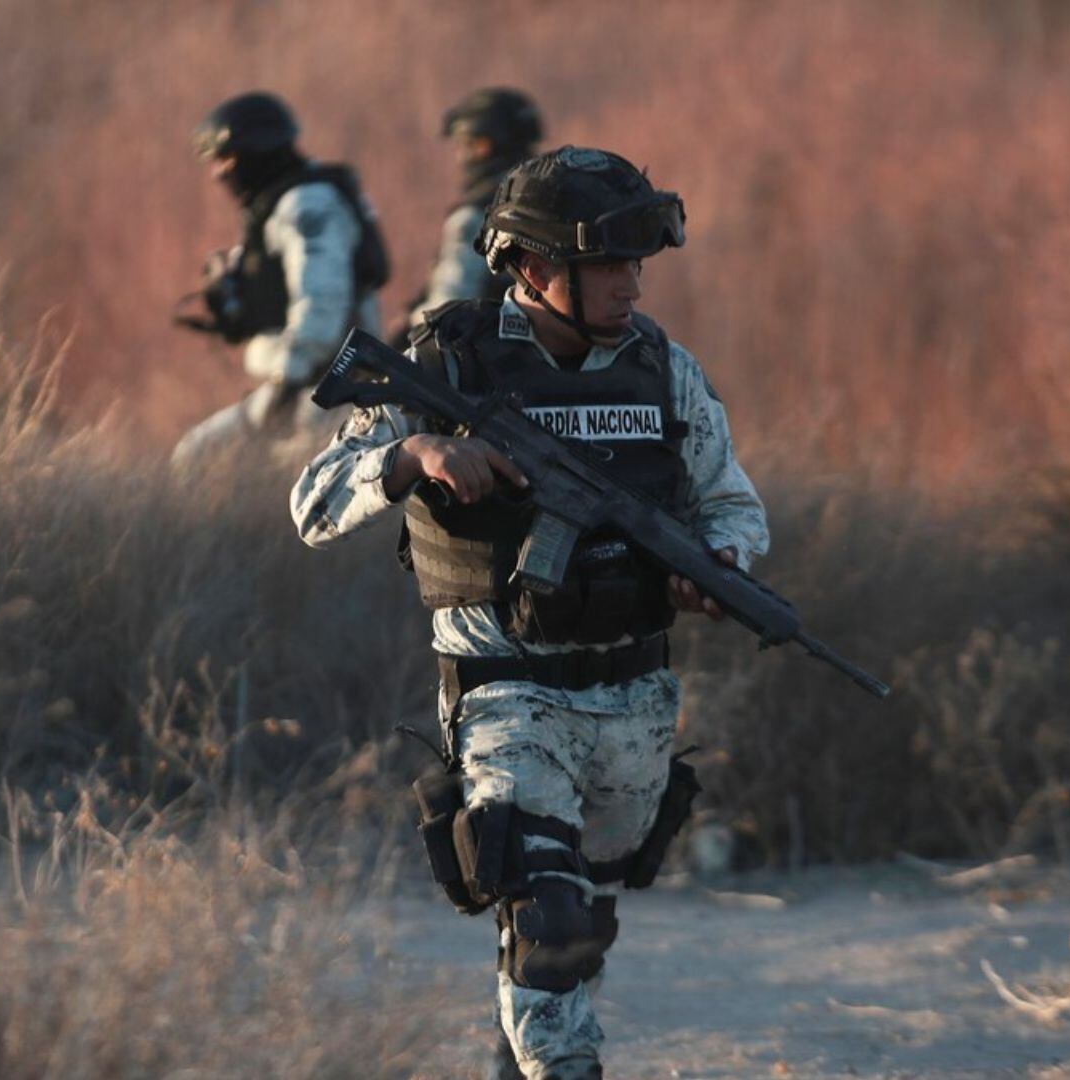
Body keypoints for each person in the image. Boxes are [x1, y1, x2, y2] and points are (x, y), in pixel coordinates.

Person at [290, 147, 769, 1080]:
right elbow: (311, 502)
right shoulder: (447, 361)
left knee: (576, 928)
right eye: (611, 264)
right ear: (537, 269)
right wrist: (414, 455)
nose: (634, 283)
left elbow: (731, 503)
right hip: (505, 688)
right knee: (543, 918)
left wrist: (722, 564)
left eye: (639, 263)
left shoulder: (662, 370)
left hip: (633, 696)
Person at [173, 91, 389, 470]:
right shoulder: (281, 203)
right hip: (303, 386)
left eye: (224, 159)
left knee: (205, 461)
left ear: (254, 151)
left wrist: (284, 388)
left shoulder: (308, 204)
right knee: (197, 456)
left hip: (326, 393)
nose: (217, 172)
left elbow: (321, 305)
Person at [393, 87, 543, 345]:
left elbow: (450, 304)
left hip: (488, 359)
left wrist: (407, 328)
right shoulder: (549, 202)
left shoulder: (476, 215)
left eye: (467, 144)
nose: (461, 155)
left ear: (484, 147)